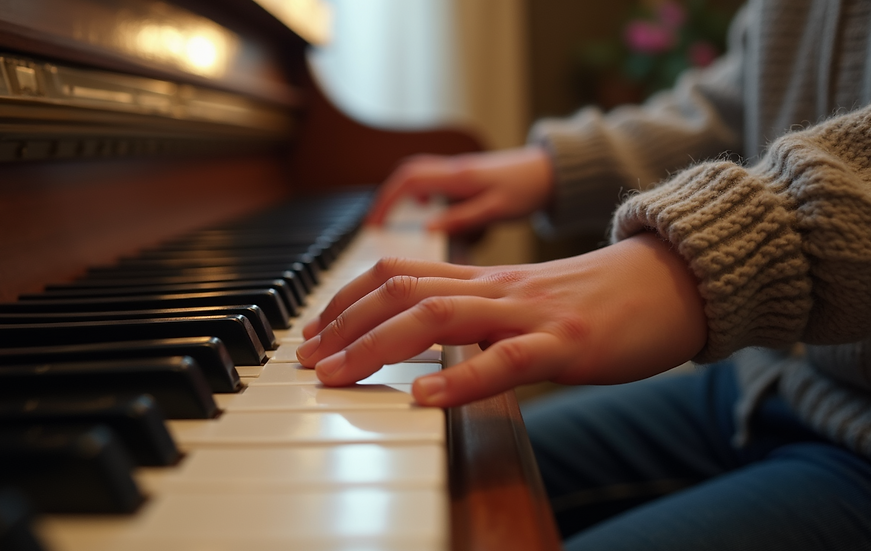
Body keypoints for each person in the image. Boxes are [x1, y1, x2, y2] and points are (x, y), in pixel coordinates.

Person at [296, 0, 871, 549]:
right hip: (765, 383)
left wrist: (722, 252)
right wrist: (557, 167)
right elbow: (749, 92)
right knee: (419, 482)